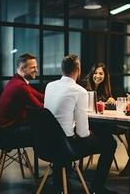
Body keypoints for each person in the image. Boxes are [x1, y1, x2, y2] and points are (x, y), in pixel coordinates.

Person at [44, 54, 117, 194]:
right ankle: (97, 187)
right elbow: (83, 133)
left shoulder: (49, 86)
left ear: (62, 69)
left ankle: (59, 182)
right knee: (110, 143)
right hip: (66, 146)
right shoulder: (80, 91)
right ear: (78, 69)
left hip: (46, 144)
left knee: (67, 133)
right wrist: (90, 133)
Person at [0, 53, 44, 146]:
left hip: (7, 127)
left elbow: (40, 96)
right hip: (10, 131)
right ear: (23, 69)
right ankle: (58, 156)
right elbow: (40, 107)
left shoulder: (17, 81)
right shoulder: (20, 86)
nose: (37, 70)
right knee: (47, 129)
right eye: (33, 67)